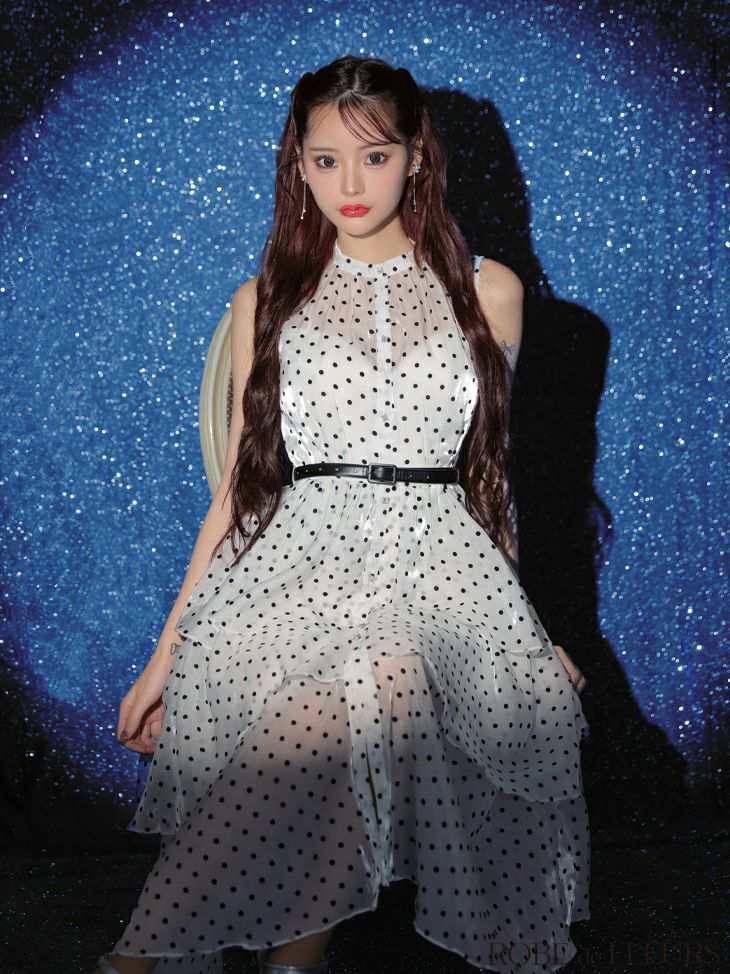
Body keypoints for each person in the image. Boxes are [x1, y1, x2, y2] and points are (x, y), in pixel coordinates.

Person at [94, 54, 589, 974]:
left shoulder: (493, 292)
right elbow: (240, 490)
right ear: (298, 165)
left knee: (387, 673)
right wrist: (166, 654)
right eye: (325, 161)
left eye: (374, 156)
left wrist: (525, 636)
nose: (349, 184)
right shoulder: (266, 300)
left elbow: (489, 483)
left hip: (440, 578)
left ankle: (134, 963)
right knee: (322, 746)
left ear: (416, 157)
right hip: (296, 575)